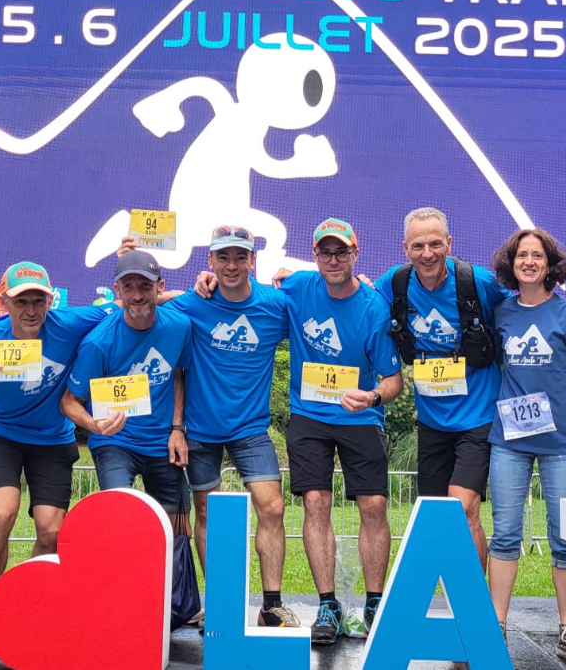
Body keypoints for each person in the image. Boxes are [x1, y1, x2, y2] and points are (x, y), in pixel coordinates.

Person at [0, 261, 115, 651]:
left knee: (51, 530)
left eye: (39, 301)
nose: (31, 310)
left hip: (52, 438)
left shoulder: (68, 323)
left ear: (51, 300)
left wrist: (193, 289)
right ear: (3, 302)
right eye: (21, 301)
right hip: (1, 434)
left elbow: (132, 302)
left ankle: (25, 604)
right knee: (1, 512)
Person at [159, 225, 299, 628]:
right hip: (200, 431)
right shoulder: (194, 303)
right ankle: (220, 600)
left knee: (271, 506)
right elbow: (147, 303)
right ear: (210, 262)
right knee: (207, 511)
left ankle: (271, 604)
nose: (232, 265)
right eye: (223, 257)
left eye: (240, 257)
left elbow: (319, 307)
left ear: (253, 261)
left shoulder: (276, 305)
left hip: (250, 429)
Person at [276, 218, 403, 644]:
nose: (333, 260)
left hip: (359, 418)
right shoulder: (297, 288)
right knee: (315, 502)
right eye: (325, 252)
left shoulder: (373, 308)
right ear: (315, 256)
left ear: (356, 253)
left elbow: (394, 382)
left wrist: (371, 398)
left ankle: (373, 603)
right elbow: (244, 289)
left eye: (341, 252)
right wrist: (201, 281)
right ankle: (327, 605)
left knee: (373, 505)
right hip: (310, 414)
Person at [486, 229, 566, 666]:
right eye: (521, 255)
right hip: (509, 442)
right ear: (511, 263)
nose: (529, 261)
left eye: (537, 255)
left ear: (550, 263)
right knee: (506, 535)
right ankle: (493, 627)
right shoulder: (500, 312)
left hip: (561, 445)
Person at [373, 208, 506, 571]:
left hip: (478, 418)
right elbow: (352, 298)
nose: (427, 253)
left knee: (464, 507)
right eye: (418, 245)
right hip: (432, 420)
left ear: (449, 243)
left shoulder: (477, 282)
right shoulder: (394, 284)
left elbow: (523, 303)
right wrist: (297, 279)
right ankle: (451, 591)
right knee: (436, 515)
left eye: (435, 243)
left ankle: (476, 602)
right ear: (405, 248)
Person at [61, 250, 193, 524]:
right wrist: (94, 425)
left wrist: (178, 429)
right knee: (120, 520)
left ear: (160, 287)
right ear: (117, 291)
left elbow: (179, 373)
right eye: (128, 287)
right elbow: (69, 401)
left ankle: (169, 569)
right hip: (115, 442)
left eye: (145, 286)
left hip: (162, 442)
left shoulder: (179, 326)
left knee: (177, 529)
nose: (137, 295)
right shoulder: (98, 343)